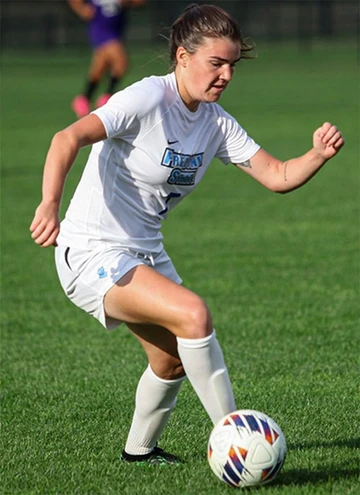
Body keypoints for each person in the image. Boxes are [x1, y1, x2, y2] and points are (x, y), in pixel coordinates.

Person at [30, 3, 344, 465]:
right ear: (182, 57)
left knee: (171, 361)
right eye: (216, 63)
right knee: (193, 315)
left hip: (143, 252)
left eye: (231, 66)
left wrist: (316, 155)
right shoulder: (147, 99)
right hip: (91, 249)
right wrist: (49, 204)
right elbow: (66, 138)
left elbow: (277, 175)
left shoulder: (215, 123)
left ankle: (139, 452)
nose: (225, 76)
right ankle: (239, 441)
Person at [68, 0, 145, 118]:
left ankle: (84, 98)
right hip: (101, 28)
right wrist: (81, 9)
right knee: (121, 62)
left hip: (116, 29)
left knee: (100, 67)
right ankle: (107, 96)